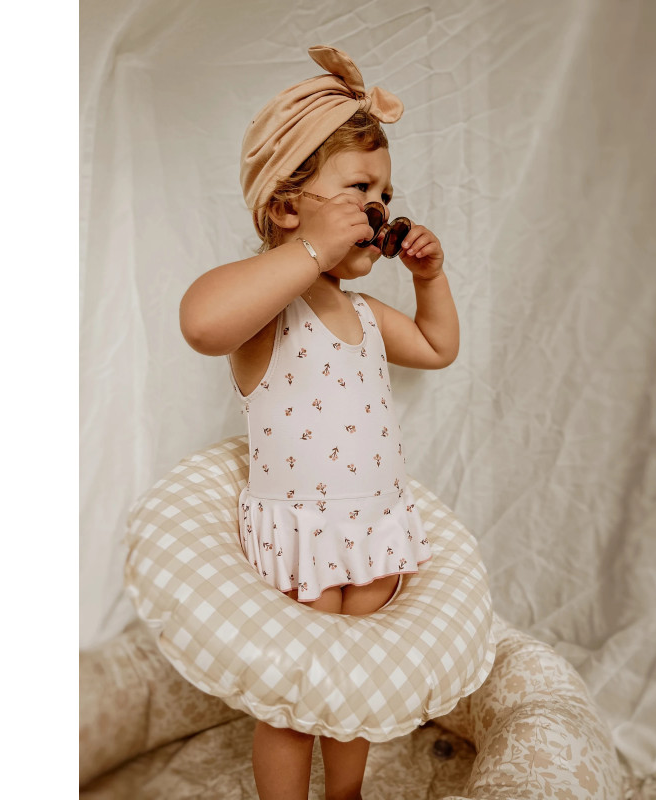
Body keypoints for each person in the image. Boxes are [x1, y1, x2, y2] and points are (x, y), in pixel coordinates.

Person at [179, 45, 459, 800]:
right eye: (359, 188)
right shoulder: (264, 309)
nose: (381, 207)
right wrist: (309, 250)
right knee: (296, 698)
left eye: (386, 191)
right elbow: (202, 324)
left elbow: (438, 348)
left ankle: (345, 794)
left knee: (351, 684)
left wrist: (430, 278)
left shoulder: (365, 313)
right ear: (284, 206)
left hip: (374, 525)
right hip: (302, 533)